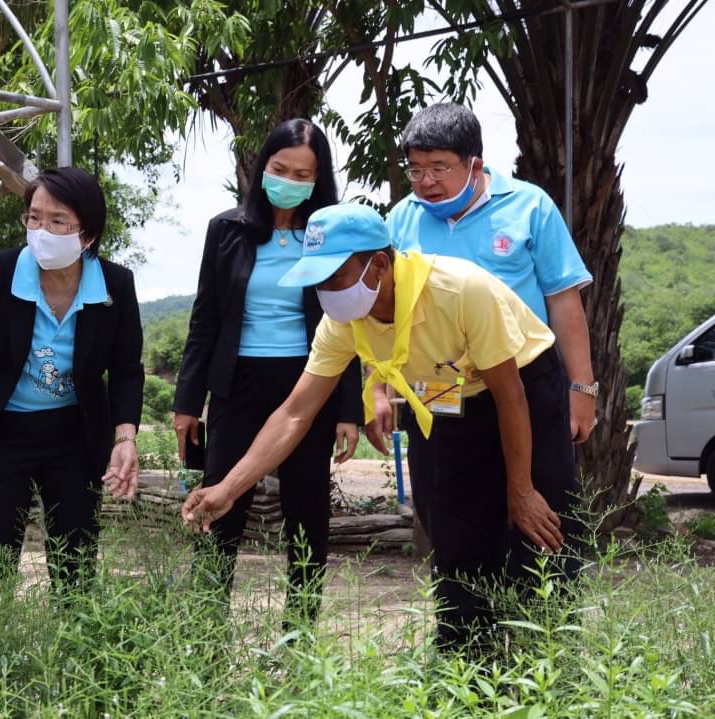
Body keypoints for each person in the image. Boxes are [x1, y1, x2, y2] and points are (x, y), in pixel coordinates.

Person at [182, 203, 579, 648]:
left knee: (537, 531)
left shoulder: (459, 289)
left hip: (524, 389)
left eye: (335, 277)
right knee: (456, 539)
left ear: (380, 265)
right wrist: (228, 488)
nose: (326, 292)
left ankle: (550, 659)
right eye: (318, 281)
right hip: (448, 402)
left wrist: (521, 489)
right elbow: (295, 412)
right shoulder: (343, 322)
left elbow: (509, 396)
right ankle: (466, 665)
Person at [172, 119, 364, 625]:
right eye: (280, 169)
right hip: (236, 385)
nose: (289, 181)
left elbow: (347, 320)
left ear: (318, 179)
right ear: (262, 169)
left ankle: (298, 635)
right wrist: (187, 402)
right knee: (221, 505)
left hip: (309, 384)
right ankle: (205, 630)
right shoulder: (227, 230)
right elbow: (205, 317)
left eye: (303, 174)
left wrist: (350, 408)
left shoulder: (329, 236)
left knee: (307, 513)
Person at [374, 102, 597, 535]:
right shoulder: (401, 219)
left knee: (541, 515)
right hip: (439, 388)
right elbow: (380, 308)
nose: (426, 182)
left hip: (527, 381)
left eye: (439, 168)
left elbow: (564, 303)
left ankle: (541, 584)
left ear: (475, 164)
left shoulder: (529, 206)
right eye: (415, 170)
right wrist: (379, 392)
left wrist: (582, 389)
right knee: (450, 516)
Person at [0, 166, 144, 590]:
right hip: (0, 435)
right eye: (34, 217)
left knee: (76, 567)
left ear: (87, 234)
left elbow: (127, 370)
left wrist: (125, 438)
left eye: (58, 221)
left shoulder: (115, 285)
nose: (41, 231)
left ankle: (73, 631)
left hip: (75, 435)